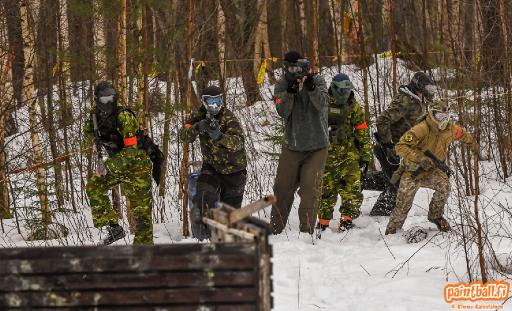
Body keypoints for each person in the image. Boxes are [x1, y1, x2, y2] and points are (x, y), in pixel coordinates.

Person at [385, 101, 478, 234]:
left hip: (431, 170)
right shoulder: (421, 128)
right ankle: (392, 231)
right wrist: (419, 158)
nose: (444, 120)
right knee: (403, 205)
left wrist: (475, 147)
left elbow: (464, 135)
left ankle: (436, 216)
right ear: (432, 115)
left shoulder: (450, 129)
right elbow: (400, 146)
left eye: (446, 117)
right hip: (412, 172)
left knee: (444, 186)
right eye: (440, 117)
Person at [85, 81, 153, 245]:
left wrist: (107, 166)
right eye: (105, 98)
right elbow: (88, 131)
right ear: (97, 99)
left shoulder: (124, 116)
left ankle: (144, 254)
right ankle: (114, 227)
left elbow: (131, 150)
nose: (109, 102)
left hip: (138, 167)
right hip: (119, 164)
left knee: (141, 213)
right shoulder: (96, 115)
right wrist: (97, 141)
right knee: (94, 186)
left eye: (111, 97)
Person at [270, 51, 329, 235]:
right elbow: (282, 111)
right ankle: (275, 231)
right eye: (290, 68)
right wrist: (290, 93)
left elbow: (323, 104)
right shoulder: (282, 85)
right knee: (282, 189)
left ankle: (307, 234)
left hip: (317, 147)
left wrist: (311, 88)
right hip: (292, 147)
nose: (295, 72)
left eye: (298, 68)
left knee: (310, 192)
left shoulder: (317, 81)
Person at [370, 72, 436, 216]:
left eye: (432, 90)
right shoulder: (405, 100)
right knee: (398, 184)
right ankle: (380, 214)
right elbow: (382, 120)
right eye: (428, 89)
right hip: (390, 149)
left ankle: (360, 181)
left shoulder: (418, 102)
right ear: (418, 86)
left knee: (393, 180)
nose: (430, 93)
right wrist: (388, 145)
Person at [180, 85, 247, 226]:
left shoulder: (229, 118)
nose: (215, 105)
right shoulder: (199, 115)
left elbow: (238, 143)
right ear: (204, 102)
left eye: (218, 100)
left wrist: (219, 136)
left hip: (234, 170)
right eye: (211, 101)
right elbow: (184, 136)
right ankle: (207, 232)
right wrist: (197, 127)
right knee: (203, 196)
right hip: (211, 167)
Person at [317, 74, 372, 232]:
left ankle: (346, 220)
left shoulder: (353, 105)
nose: (345, 93)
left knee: (353, 189)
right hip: (325, 155)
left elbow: (362, 130)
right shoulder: (323, 103)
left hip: (348, 154)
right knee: (326, 190)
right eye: (342, 90)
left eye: (347, 90)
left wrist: (365, 155)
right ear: (334, 89)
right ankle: (323, 223)